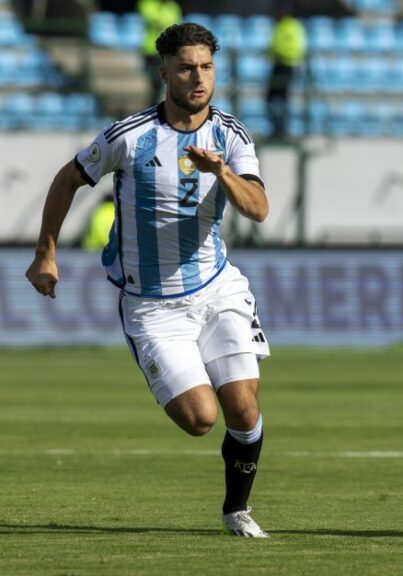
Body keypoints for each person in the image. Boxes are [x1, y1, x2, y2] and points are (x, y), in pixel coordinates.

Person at [25, 23, 272, 536]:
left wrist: (220, 172)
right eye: (186, 67)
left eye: (206, 67)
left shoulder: (230, 134)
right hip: (153, 305)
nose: (198, 77)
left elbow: (259, 209)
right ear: (164, 73)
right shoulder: (129, 136)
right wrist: (46, 251)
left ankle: (236, 510)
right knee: (201, 419)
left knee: (244, 410)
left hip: (217, 288)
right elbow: (67, 178)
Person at [267, 6, 307, 139]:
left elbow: (296, 48)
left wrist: (280, 53)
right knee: (272, 97)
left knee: (281, 98)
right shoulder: (280, 26)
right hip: (277, 65)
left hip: (286, 65)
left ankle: (281, 128)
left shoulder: (292, 26)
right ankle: (276, 127)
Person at [138, 0, 182, 105]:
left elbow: (176, 26)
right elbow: (156, 21)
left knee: (164, 81)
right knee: (156, 82)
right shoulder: (148, 3)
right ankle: (153, 107)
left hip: (168, 51)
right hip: (151, 49)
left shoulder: (174, 6)